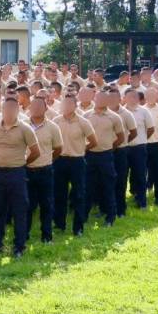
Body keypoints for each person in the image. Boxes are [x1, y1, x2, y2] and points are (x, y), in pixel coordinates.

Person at [0, 97, 40, 257]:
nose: (8, 112)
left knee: (19, 210)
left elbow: (36, 151)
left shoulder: (25, 129)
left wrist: (23, 163)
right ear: (2, 110)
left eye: (12, 109)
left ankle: (19, 246)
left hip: (17, 173)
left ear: (17, 110)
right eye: (6, 109)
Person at [53, 94, 97, 235]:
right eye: (64, 104)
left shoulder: (83, 122)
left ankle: (78, 227)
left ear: (75, 106)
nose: (65, 107)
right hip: (60, 161)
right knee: (60, 194)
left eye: (69, 104)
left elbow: (93, 141)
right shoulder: (56, 121)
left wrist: (82, 149)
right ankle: (60, 224)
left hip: (77, 161)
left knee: (79, 194)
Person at [85, 90, 125, 226]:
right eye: (99, 98)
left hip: (106, 155)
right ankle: (84, 216)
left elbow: (121, 138)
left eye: (104, 99)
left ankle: (110, 217)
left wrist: (110, 148)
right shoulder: (86, 115)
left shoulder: (114, 117)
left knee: (108, 186)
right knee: (89, 186)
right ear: (94, 99)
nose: (101, 101)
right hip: (89, 155)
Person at [25, 95, 62, 244]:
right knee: (27, 205)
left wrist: (48, 160)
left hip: (45, 171)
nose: (36, 109)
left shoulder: (53, 127)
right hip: (27, 170)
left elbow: (58, 148)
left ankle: (47, 236)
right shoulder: (23, 126)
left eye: (39, 106)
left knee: (46, 204)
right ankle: (24, 235)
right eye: (33, 106)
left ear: (46, 108)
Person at [123, 88, 152, 208]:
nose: (133, 99)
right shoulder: (120, 112)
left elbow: (150, 129)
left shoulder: (144, 111)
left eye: (135, 96)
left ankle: (142, 202)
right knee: (122, 176)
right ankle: (121, 203)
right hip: (124, 148)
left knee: (140, 175)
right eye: (130, 96)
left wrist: (142, 140)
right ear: (124, 98)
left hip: (139, 148)